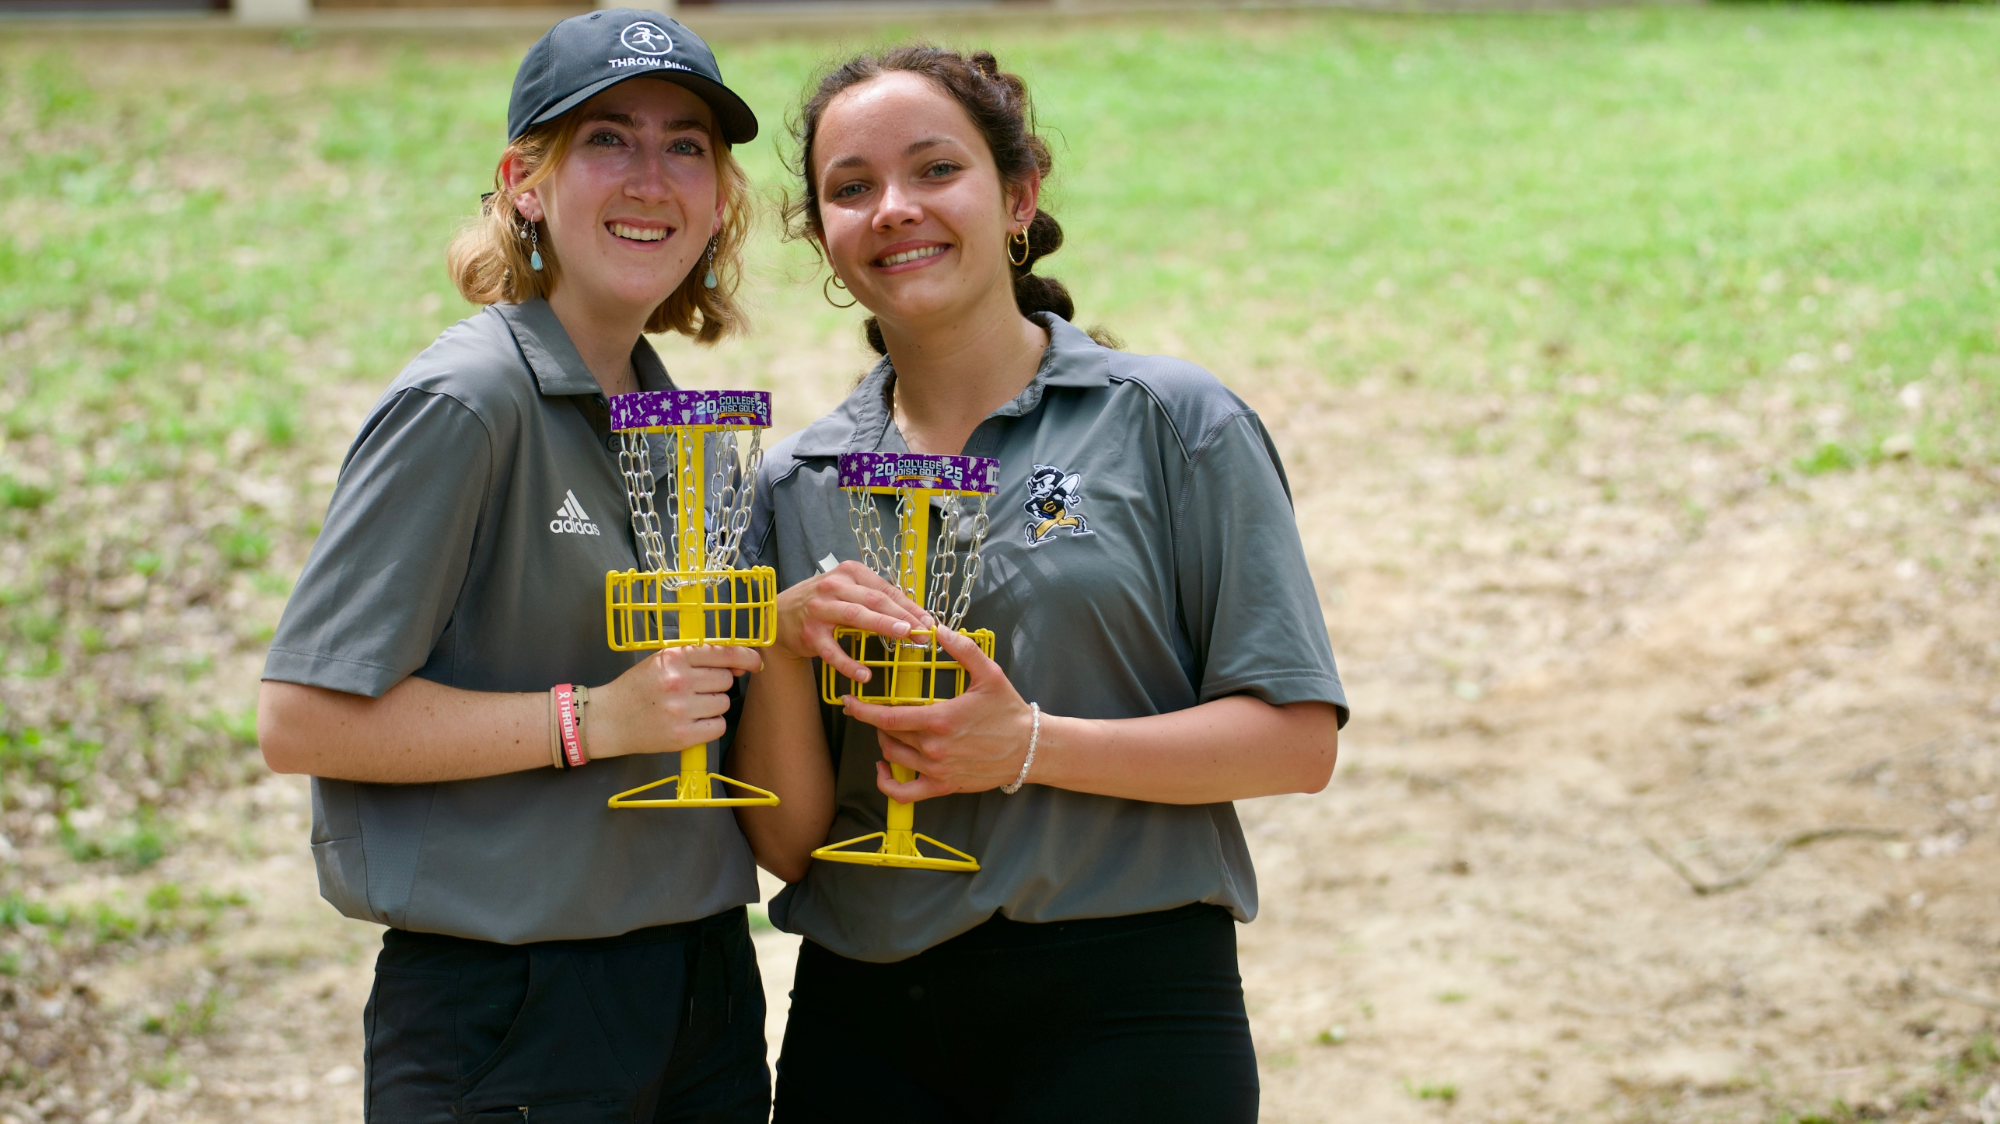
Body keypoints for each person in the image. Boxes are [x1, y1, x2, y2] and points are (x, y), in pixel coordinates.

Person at [727, 45, 1349, 1124]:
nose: (893, 209)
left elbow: (1294, 742)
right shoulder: (793, 482)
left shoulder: (1172, 422)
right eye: (851, 187)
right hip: (862, 1020)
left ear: (1016, 198)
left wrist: (1025, 744)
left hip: (1129, 1008)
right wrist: (780, 646)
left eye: (934, 170)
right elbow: (789, 843)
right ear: (826, 240)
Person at [256, 13, 772, 1121]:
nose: (652, 177)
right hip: (509, 1010)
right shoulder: (467, 402)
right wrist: (591, 717)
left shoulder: (671, 420)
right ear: (523, 182)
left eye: (687, 145)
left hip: (702, 987)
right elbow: (302, 717)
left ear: (721, 195)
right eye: (605, 140)